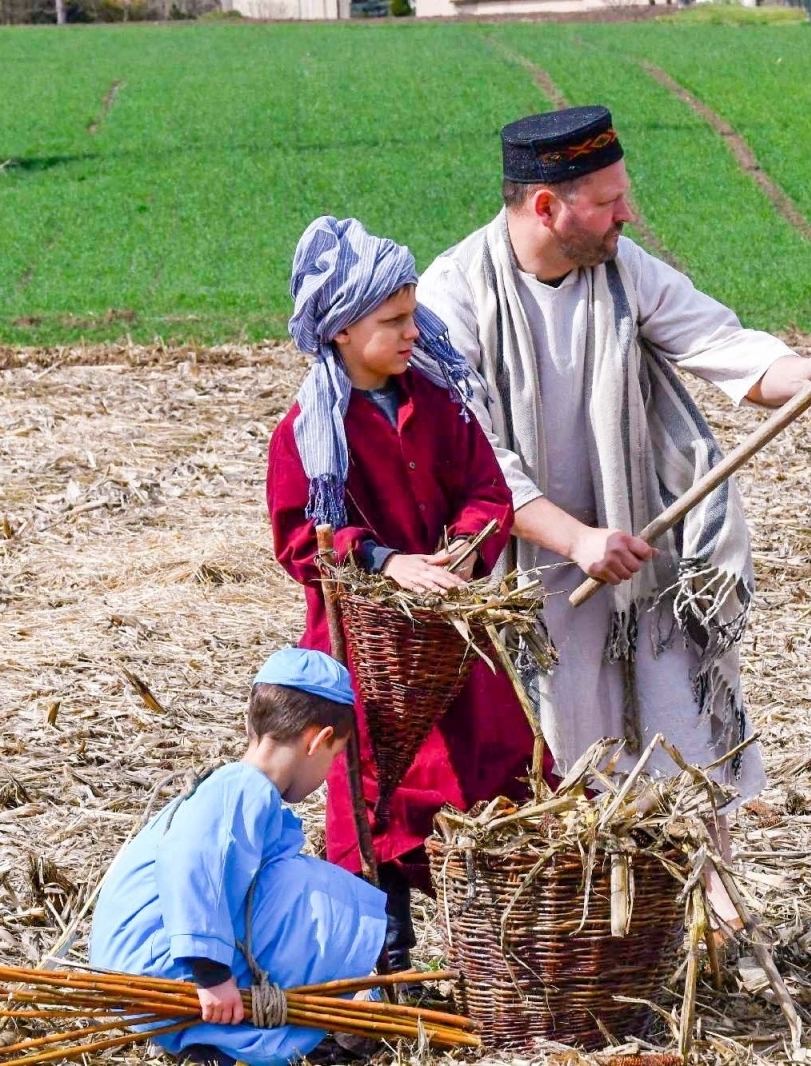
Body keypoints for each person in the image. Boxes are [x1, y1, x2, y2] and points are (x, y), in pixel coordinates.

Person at [416, 105, 811, 809]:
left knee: (677, 746)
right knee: (559, 761)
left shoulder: (622, 269)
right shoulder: (454, 293)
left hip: (638, 549)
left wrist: (804, 373)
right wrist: (576, 540)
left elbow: (718, 343)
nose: (626, 213)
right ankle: (594, 915)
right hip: (525, 573)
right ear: (546, 206)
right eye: (606, 202)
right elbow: (471, 451)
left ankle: (709, 901)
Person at [266, 216, 543, 971]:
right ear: (342, 329)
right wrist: (386, 562)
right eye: (393, 321)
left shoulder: (439, 402)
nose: (412, 331)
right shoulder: (310, 431)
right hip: (367, 655)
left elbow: (490, 493)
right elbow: (300, 540)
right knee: (376, 797)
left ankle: (504, 952)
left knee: (495, 773)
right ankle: (385, 964)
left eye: (413, 313)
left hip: (455, 643)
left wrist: (464, 549)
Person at [89, 647, 387, 1066]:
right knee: (313, 890)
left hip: (150, 964)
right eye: (333, 758)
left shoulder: (234, 786)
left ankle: (215, 1040)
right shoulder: (243, 787)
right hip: (168, 964)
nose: (326, 777)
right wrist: (210, 972)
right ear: (316, 740)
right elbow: (193, 861)